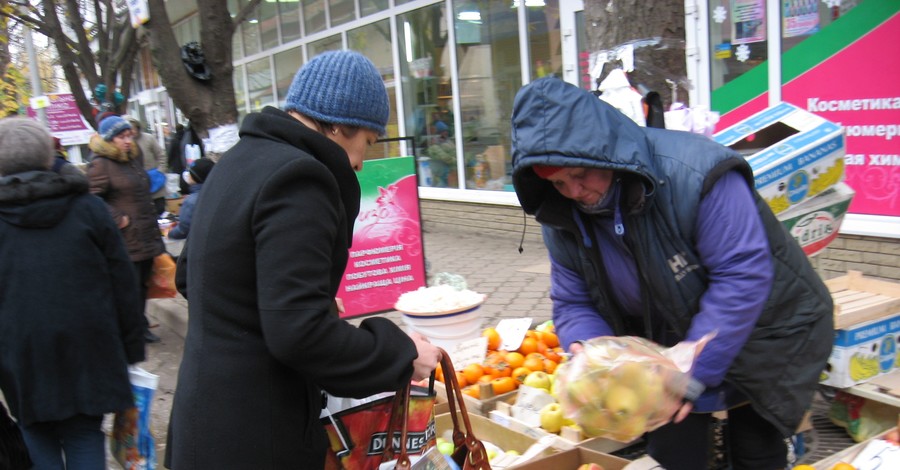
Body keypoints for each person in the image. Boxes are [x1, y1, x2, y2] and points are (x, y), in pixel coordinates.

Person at [510, 77, 833, 470]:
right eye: (559, 182)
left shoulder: (695, 174)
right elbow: (573, 300)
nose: (575, 191)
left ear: (604, 153)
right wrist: (595, 362)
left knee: (755, 445)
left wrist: (687, 371)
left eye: (580, 173)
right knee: (675, 451)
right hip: (666, 341)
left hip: (761, 330)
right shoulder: (562, 215)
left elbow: (742, 275)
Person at [166, 50, 442, 469]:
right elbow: (300, 332)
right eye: (366, 143)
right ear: (340, 126)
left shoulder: (237, 161)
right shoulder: (301, 178)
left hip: (204, 418)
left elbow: (192, 276)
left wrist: (283, 298)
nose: (361, 162)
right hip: (259, 434)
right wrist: (401, 354)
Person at [0, 117, 146, 469]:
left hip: (21, 355)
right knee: (84, 433)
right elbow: (123, 284)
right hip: (89, 349)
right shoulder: (89, 209)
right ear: (48, 156)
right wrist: (130, 349)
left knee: (36, 434)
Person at [87, 114, 167, 344]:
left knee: (142, 284)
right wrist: (117, 219)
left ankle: (139, 326)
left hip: (144, 233)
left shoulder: (133, 158)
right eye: (121, 136)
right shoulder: (101, 163)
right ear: (109, 139)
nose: (127, 140)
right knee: (127, 287)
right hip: (124, 237)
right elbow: (91, 198)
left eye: (129, 135)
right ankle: (127, 330)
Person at [125, 115, 168, 216]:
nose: (133, 131)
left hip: (155, 179)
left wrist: (161, 171)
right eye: (130, 129)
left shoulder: (148, 138)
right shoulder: (125, 144)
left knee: (160, 210)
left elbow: (161, 155)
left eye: (134, 128)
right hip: (138, 185)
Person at [167, 157, 214, 240]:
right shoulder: (216, 193)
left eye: (190, 173)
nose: (188, 175)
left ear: (196, 177)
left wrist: (170, 233)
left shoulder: (191, 201)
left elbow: (184, 229)